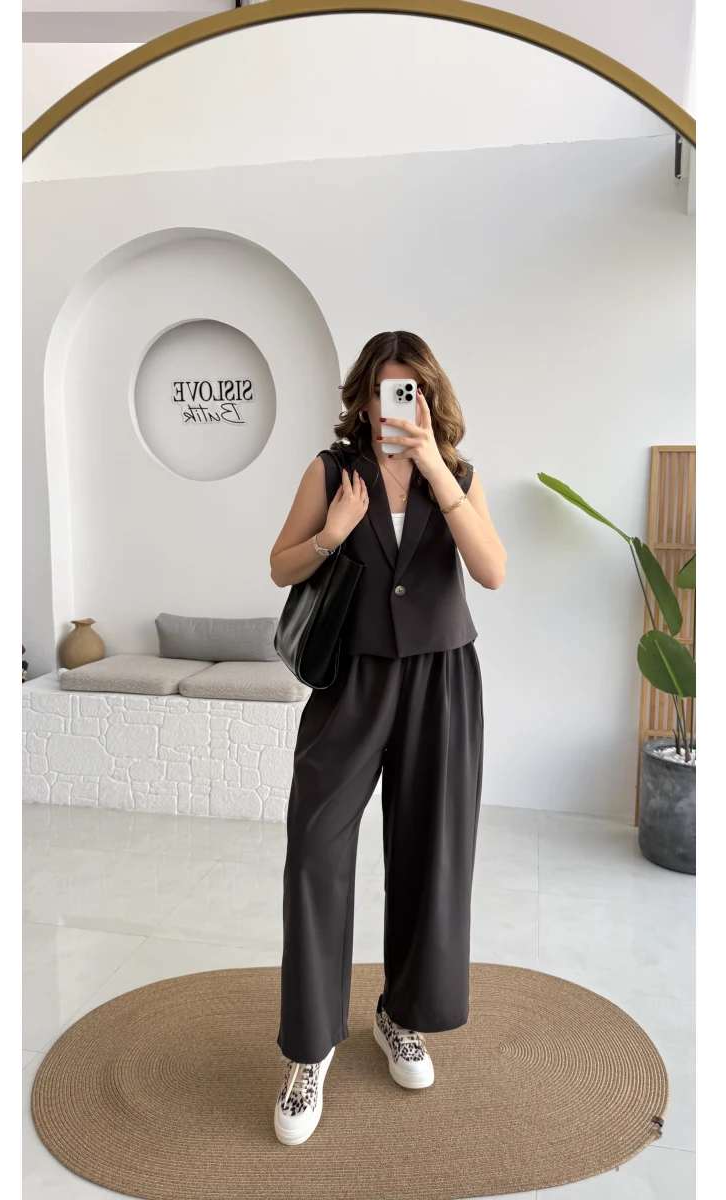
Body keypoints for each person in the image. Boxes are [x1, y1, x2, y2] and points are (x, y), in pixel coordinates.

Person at [268, 331, 507, 1145]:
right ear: (362, 398)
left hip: (442, 680)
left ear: (430, 398)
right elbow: (281, 566)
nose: (392, 404)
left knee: (429, 856)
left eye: (410, 390)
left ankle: (400, 1015)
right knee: (315, 853)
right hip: (351, 683)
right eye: (381, 389)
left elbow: (492, 571)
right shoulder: (331, 472)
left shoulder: (460, 476)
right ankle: (309, 1052)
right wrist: (333, 531)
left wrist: (435, 469)